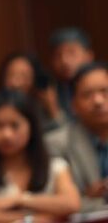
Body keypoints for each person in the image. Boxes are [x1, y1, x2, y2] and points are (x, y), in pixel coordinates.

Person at [0, 90, 80, 222]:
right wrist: (35, 218)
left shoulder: (56, 167)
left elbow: (72, 203)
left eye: (15, 125)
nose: (6, 135)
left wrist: (20, 200)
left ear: (31, 127)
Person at [45, 61, 108, 213]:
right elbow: (58, 206)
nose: (98, 101)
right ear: (73, 105)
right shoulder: (56, 144)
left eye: (105, 91)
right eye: (87, 95)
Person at [0, 52, 64, 132]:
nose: (15, 83)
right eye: (11, 75)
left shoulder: (41, 110)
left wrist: (53, 110)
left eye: (24, 76)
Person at [48, 27, 95, 121]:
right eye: (58, 55)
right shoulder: (50, 93)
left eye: (71, 53)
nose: (64, 61)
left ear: (89, 56)